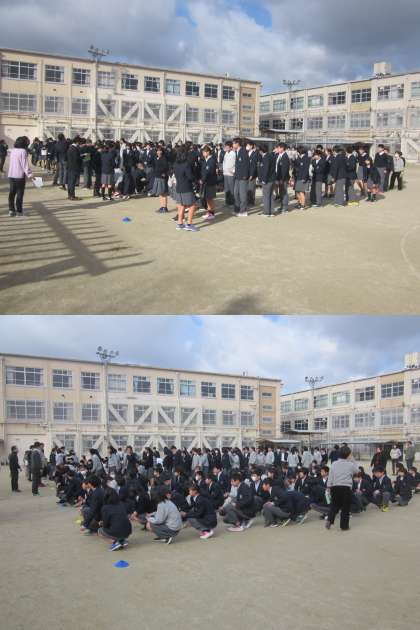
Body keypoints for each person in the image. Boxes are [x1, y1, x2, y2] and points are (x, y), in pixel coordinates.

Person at [326, 445, 359, 531]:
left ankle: (330, 519)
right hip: (346, 488)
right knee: (345, 508)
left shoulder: (334, 463)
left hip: (335, 487)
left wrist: (328, 486)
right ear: (348, 455)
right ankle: (344, 526)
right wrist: (353, 459)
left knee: (334, 505)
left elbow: (330, 476)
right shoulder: (350, 464)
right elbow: (357, 470)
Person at [173, 145, 199, 232]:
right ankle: (189, 224)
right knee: (192, 205)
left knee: (181, 206)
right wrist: (196, 180)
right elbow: (190, 176)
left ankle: (180, 223)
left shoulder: (175, 164)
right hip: (186, 187)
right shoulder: (186, 164)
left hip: (179, 187)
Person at [7, 136, 34, 217]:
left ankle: (11, 210)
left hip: (11, 175)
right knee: (19, 193)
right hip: (19, 175)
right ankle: (19, 211)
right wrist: (30, 174)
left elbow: (8, 150)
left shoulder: (12, 150)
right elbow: (25, 165)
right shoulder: (23, 151)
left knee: (12, 193)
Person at [232, 137, 250, 217]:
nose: (233, 145)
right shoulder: (237, 151)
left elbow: (246, 165)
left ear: (237, 144)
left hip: (243, 177)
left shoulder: (243, 151)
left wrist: (245, 175)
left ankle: (243, 211)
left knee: (242, 194)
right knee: (236, 193)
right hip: (237, 176)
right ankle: (237, 209)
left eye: (233, 143)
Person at [200, 145, 218, 221]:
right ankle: (208, 212)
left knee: (210, 198)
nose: (203, 154)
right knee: (207, 198)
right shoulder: (205, 160)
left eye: (204, 152)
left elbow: (208, 172)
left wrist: (203, 180)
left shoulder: (211, 160)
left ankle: (212, 213)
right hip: (206, 182)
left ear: (208, 152)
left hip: (210, 182)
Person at [257, 144, 276, 216]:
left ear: (261, 151)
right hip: (272, 179)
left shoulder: (266, 157)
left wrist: (264, 180)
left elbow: (266, 169)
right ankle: (271, 212)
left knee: (266, 196)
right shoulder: (270, 156)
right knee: (270, 196)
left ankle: (266, 212)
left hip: (267, 180)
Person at [151, 145, 169, 213]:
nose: (159, 152)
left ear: (162, 151)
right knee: (160, 193)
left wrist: (163, 172)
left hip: (162, 177)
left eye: (160, 150)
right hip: (157, 176)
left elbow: (166, 167)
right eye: (157, 151)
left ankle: (165, 207)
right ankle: (162, 207)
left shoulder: (164, 158)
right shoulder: (156, 158)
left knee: (163, 193)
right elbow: (154, 165)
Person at [274, 143, 290, 214]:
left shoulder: (285, 157)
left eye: (278, 148)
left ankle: (285, 208)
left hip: (283, 178)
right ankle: (282, 206)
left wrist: (282, 179)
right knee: (281, 193)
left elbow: (285, 170)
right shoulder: (278, 155)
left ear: (282, 148)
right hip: (278, 177)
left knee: (284, 193)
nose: (277, 149)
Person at [222, 141, 236, 206]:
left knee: (231, 188)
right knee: (227, 189)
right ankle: (227, 202)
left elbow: (233, 163)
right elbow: (224, 162)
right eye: (225, 147)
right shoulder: (226, 153)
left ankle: (232, 202)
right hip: (226, 173)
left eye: (227, 147)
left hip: (231, 174)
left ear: (231, 147)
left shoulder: (233, 154)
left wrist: (232, 171)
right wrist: (224, 170)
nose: (226, 148)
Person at [247, 140, 258, 205]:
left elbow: (254, 165)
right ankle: (248, 200)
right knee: (247, 188)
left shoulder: (255, 153)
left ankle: (251, 202)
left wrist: (251, 174)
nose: (247, 146)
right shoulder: (247, 152)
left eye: (248, 145)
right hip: (247, 173)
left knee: (251, 188)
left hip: (252, 174)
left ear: (251, 146)